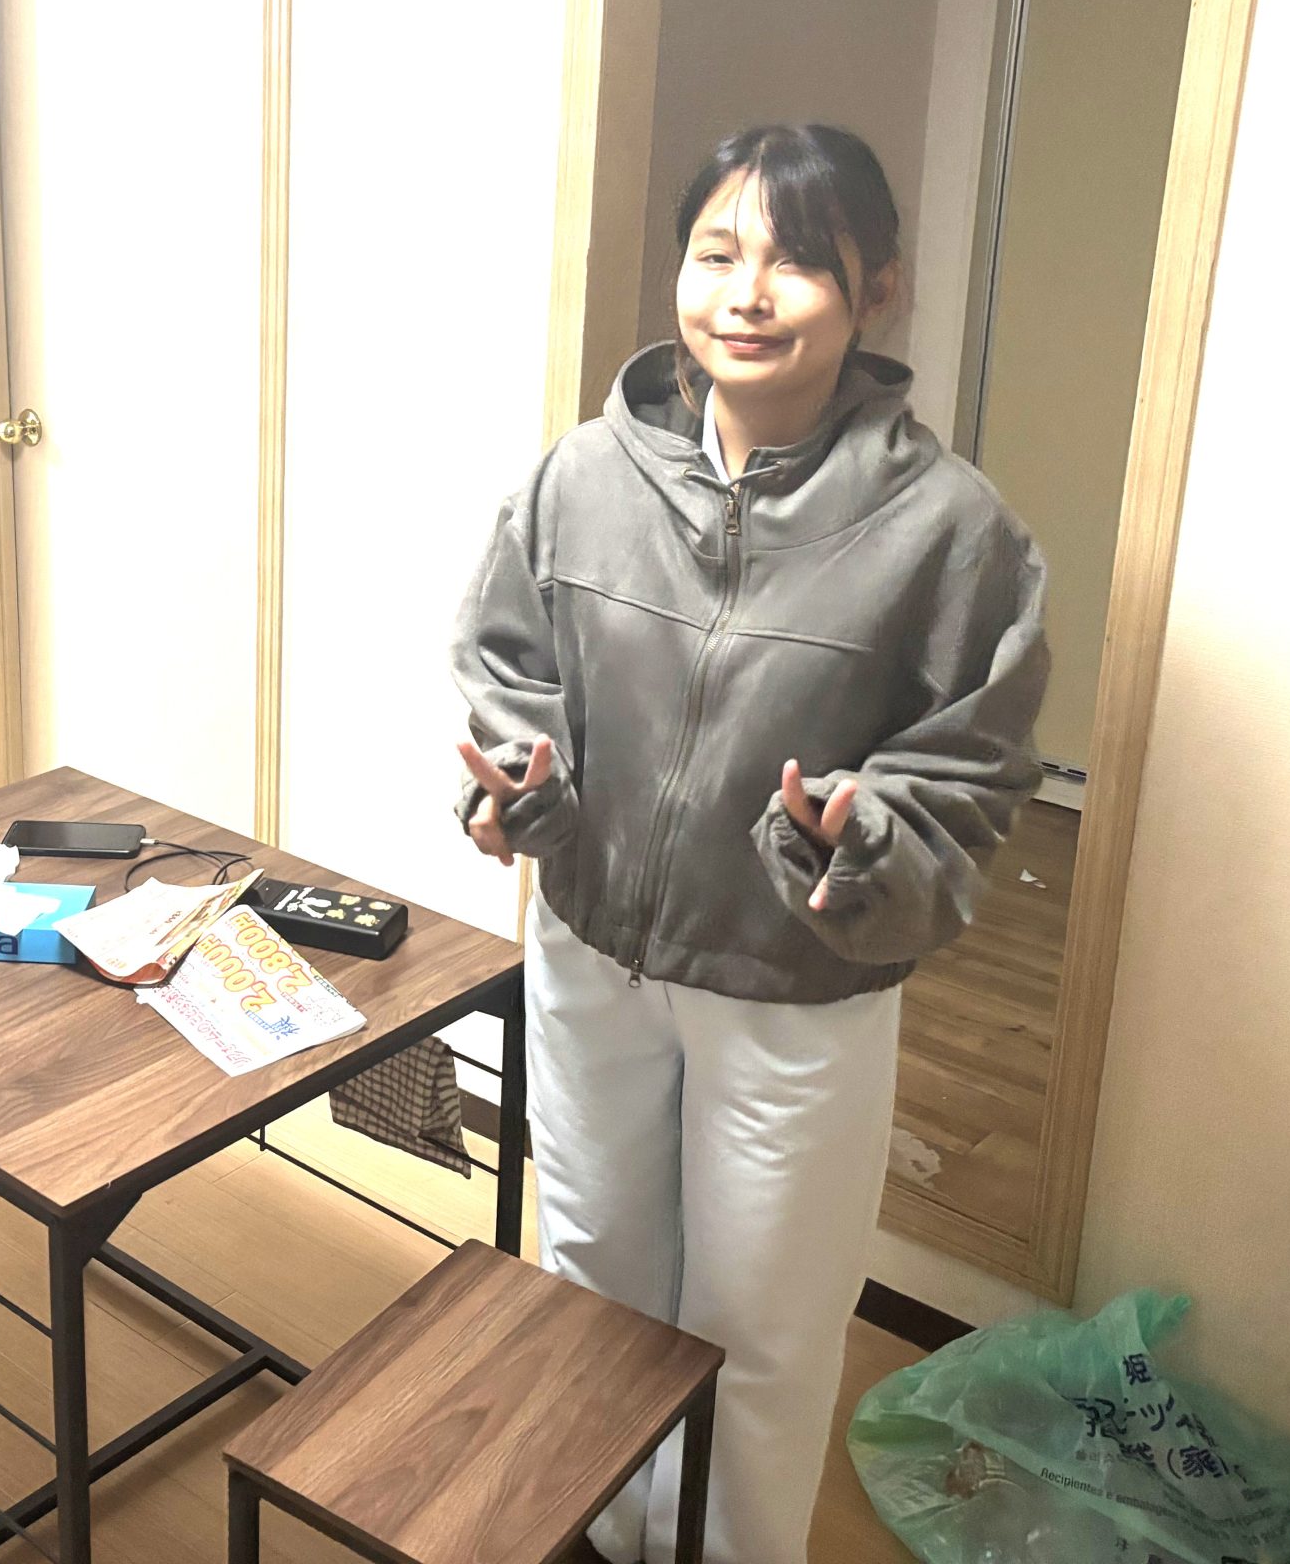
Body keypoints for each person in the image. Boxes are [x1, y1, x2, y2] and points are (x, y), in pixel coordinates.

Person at [451, 123, 1048, 1564]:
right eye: (717, 252)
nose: (746, 292)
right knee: (595, 1280)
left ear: (877, 290)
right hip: (592, 953)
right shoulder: (584, 478)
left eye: (795, 261)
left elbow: (972, 766)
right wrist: (518, 789)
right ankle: (603, 1534)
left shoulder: (951, 531)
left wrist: (867, 832)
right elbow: (511, 667)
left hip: (794, 986)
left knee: (764, 1328)